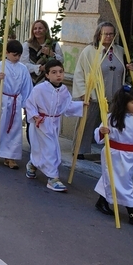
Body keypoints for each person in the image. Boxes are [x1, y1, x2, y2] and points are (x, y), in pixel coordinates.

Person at [94, 87, 133, 226]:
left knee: (113, 178)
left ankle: (102, 200)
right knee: (124, 183)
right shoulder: (112, 118)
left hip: (130, 155)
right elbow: (100, 133)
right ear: (124, 103)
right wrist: (101, 131)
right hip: (115, 154)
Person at [73, 22, 133, 161]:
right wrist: (84, 93)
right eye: (105, 33)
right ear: (99, 34)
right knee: (87, 122)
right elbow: (79, 72)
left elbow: (122, 70)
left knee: (112, 124)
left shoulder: (119, 50)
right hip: (94, 94)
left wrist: (130, 68)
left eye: (111, 34)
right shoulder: (89, 51)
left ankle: (111, 150)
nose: (108, 36)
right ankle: (80, 150)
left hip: (115, 94)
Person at [24, 60, 84, 192]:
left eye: (61, 72)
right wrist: (35, 116)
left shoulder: (63, 91)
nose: (58, 75)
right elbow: (30, 104)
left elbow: (67, 106)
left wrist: (82, 105)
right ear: (47, 75)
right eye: (54, 72)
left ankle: (33, 164)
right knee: (50, 149)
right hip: (41, 123)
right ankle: (53, 178)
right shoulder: (39, 89)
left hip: (54, 123)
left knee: (44, 148)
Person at [0, 40, 33, 169]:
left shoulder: (23, 68)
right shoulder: (0, 66)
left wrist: (26, 104)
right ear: (7, 53)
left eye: (19, 55)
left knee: (13, 129)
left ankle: (9, 156)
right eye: (14, 55)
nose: (17, 58)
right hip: (1, 101)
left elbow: (27, 87)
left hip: (14, 102)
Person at [22, 20, 63, 84]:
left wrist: (52, 54)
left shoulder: (53, 44)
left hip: (50, 81)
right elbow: (23, 64)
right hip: (31, 81)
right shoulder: (27, 45)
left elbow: (61, 61)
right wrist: (39, 68)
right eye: (35, 29)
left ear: (46, 30)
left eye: (40, 28)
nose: (37, 31)